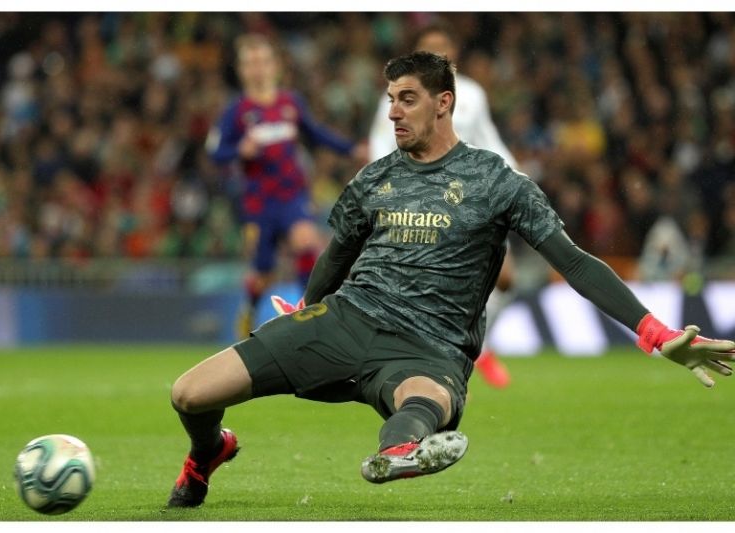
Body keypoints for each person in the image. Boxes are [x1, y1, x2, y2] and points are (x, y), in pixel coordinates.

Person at [167, 51, 735, 508]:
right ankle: (209, 451)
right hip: (345, 320)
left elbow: (576, 262)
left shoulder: (496, 182)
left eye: (407, 99)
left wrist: (656, 333)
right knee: (189, 394)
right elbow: (336, 256)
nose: (394, 112)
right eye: (390, 100)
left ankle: (400, 452)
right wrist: (308, 311)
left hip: (430, 348)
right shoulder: (374, 179)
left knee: (423, 402)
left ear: (445, 104)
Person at [369, 20, 517, 388]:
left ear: (454, 55)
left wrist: (516, 176)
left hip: (473, 195)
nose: (438, 55)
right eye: (429, 49)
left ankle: (480, 346)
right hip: (424, 196)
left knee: (506, 277)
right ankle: (424, 355)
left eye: (443, 48)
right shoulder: (402, 93)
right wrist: (387, 187)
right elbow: (380, 142)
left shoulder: (472, 94)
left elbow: (489, 139)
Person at [206, 33, 365, 338]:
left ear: (275, 66)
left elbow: (315, 133)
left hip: (292, 195)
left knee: (306, 243)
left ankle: (311, 315)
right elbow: (215, 151)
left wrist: (351, 148)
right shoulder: (236, 111)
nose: (258, 68)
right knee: (262, 272)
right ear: (242, 70)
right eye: (251, 62)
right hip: (258, 203)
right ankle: (250, 309)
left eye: (264, 61)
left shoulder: (290, 102)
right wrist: (239, 150)